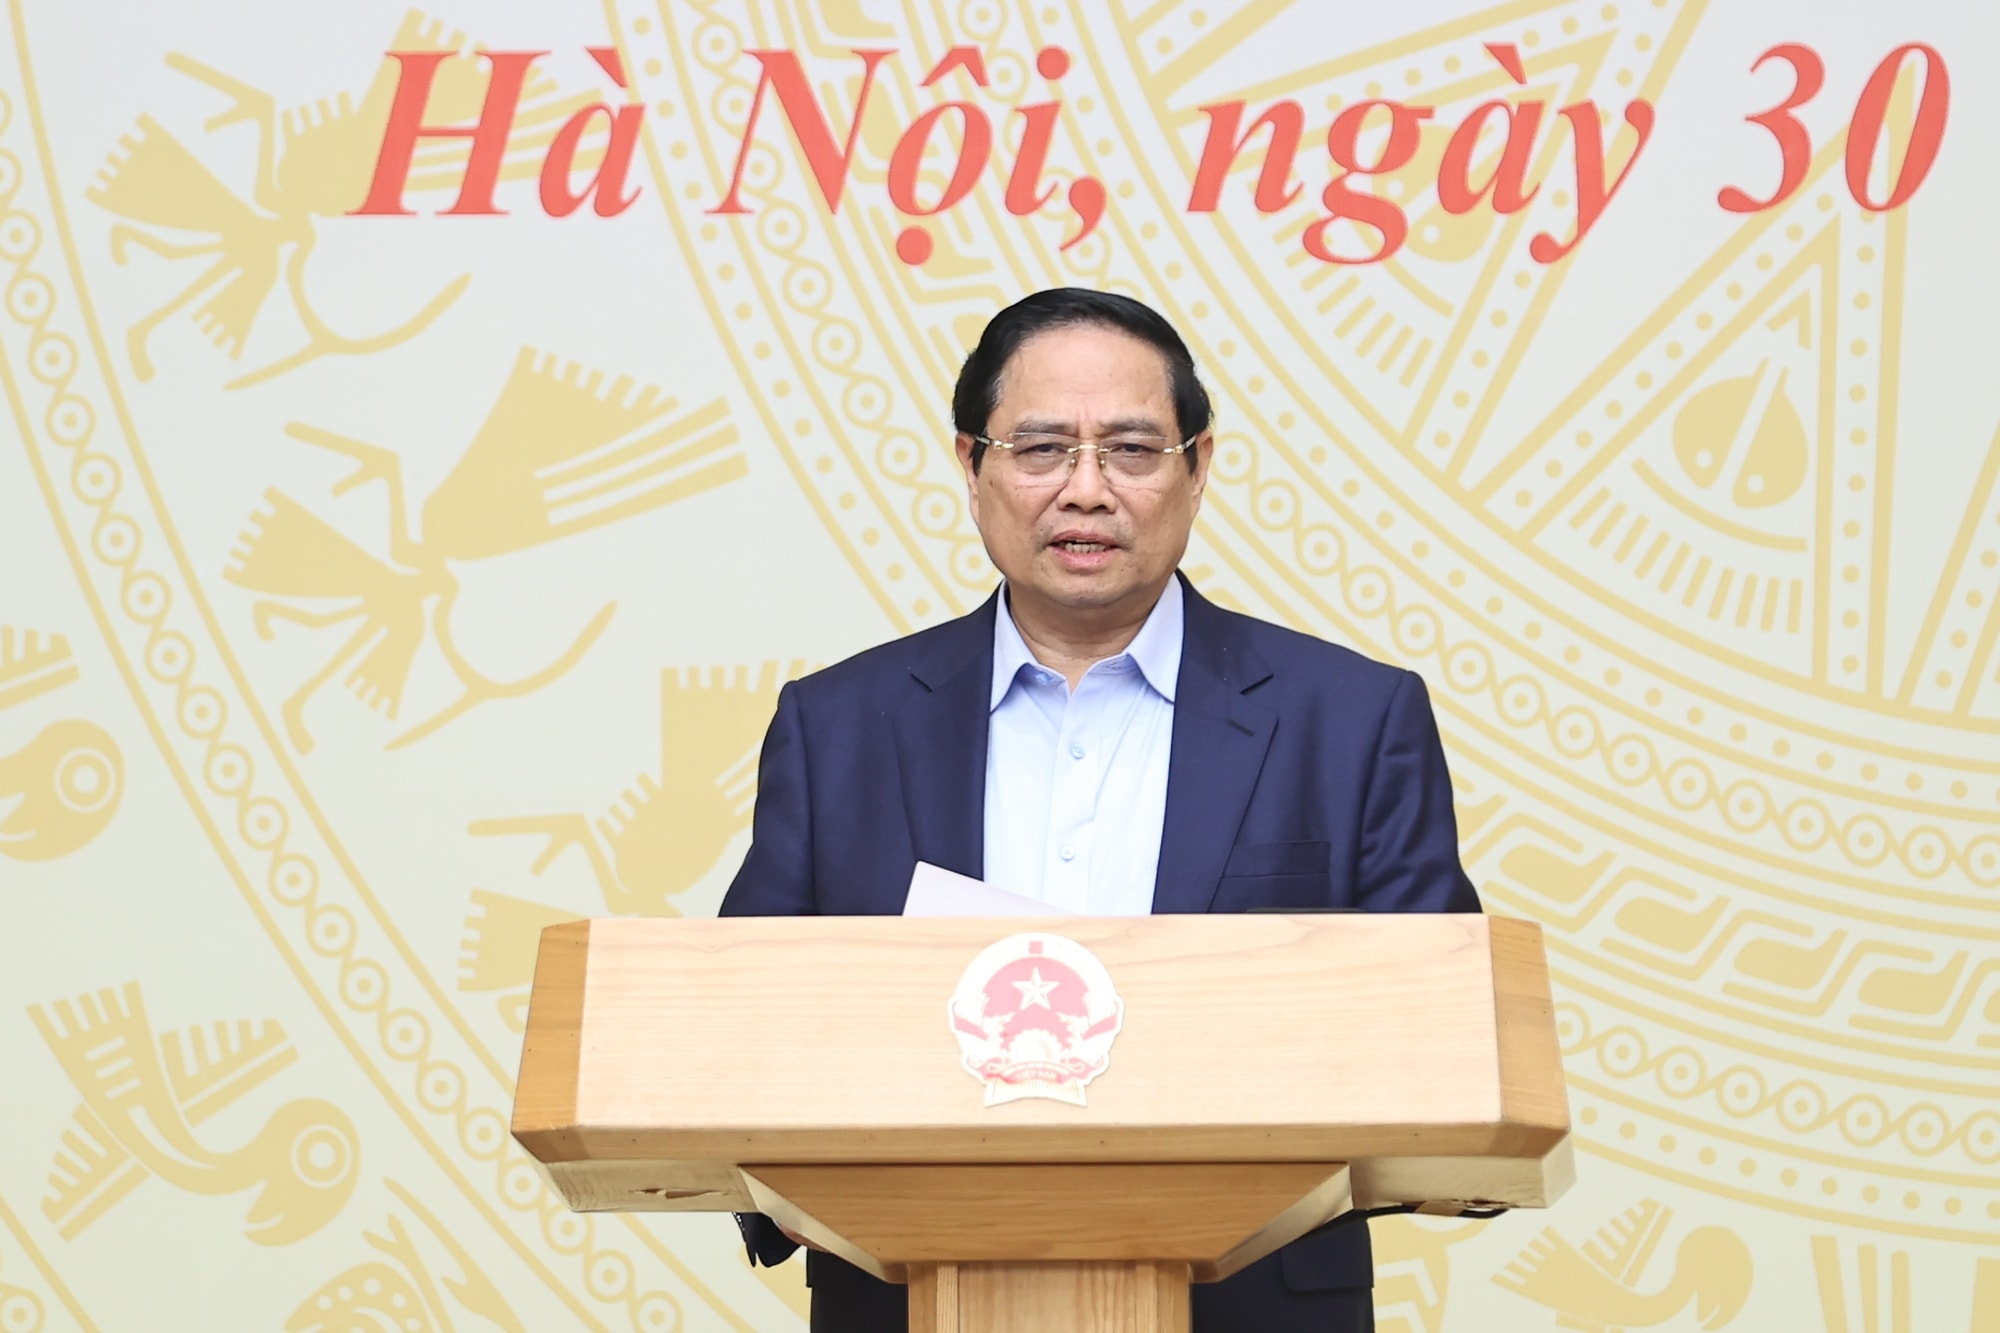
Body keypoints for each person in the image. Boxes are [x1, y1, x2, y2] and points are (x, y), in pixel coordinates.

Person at [720, 287, 1480, 1333]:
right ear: (971, 465)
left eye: (1130, 450)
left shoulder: (1350, 720)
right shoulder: (836, 727)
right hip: (911, 1299)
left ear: (1197, 468)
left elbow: (1442, 1047)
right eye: (1040, 449)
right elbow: (742, 1031)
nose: (1085, 490)